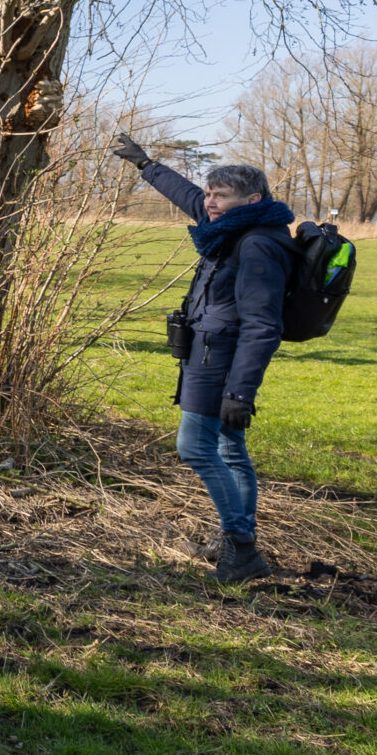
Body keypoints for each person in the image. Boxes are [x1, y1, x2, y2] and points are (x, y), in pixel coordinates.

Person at [114, 134, 294, 583]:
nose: (210, 202)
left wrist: (239, 391)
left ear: (251, 199)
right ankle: (235, 537)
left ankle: (242, 548)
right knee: (230, 450)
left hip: (221, 363)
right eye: (210, 193)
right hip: (211, 354)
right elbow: (189, 196)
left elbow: (262, 325)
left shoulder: (256, 245)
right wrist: (145, 165)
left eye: (221, 195)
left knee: (195, 447)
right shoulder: (231, 226)